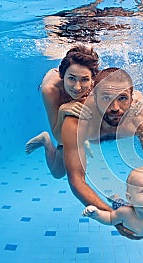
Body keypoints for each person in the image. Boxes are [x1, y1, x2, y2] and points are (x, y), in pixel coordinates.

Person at [61, 68, 143, 239]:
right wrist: (115, 218)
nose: (114, 108)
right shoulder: (76, 122)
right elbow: (76, 179)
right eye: (106, 98)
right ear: (94, 97)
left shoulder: (142, 120)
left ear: (132, 99)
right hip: (80, 131)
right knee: (56, 169)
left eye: (122, 98)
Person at [25, 45, 98, 178]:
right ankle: (45, 140)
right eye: (71, 78)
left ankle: (81, 138)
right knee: (58, 172)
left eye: (85, 79)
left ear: (92, 79)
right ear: (63, 76)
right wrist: (62, 111)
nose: (77, 87)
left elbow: (128, 91)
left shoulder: (97, 83)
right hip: (61, 96)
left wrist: (137, 98)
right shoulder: (50, 90)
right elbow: (59, 137)